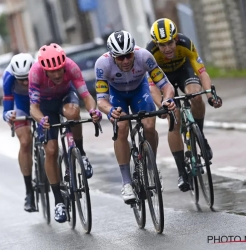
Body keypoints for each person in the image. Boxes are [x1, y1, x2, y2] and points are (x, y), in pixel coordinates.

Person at [95, 30, 176, 204]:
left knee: (148, 126)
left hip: (140, 91)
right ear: (112, 56)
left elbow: (166, 85)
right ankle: (126, 182)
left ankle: (150, 166)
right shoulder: (102, 64)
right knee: (122, 127)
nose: (125, 61)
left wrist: (167, 100)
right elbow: (101, 100)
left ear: (134, 51)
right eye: (120, 57)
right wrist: (110, 111)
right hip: (117, 95)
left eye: (128, 55)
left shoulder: (144, 57)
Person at [146, 18, 223, 192]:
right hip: (162, 78)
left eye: (170, 43)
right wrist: (162, 106)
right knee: (174, 119)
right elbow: (152, 87)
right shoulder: (150, 53)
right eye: (162, 45)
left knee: (195, 97)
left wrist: (210, 95)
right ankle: (182, 172)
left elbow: (202, 73)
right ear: (156, 44)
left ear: (176, 38)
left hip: (183, 70)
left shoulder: (186, 44)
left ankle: (200, 136)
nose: (167, 49)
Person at [29, 43, 102, 223]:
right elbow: (34, 108)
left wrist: (93, 111)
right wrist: (42, 120)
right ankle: (59, 201)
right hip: (45, 106)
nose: (56, 74)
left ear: (64, 65)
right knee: (51, 150)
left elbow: (86, 96)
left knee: (73, 113)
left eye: (59, 70)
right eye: (51, 71)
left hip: (65, 96)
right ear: (44, 69)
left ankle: (81, 153)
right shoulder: (35, 73)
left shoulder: (71, 66)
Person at [2, 53, 36, 212]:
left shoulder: (40, 69)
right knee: (25, 142)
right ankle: (29, 191)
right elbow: (7, 107)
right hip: (21, 104)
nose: (25, 82)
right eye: (20, 79)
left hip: (39, 101)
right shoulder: (8, 77)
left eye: (27, 77)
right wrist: (8, 114)